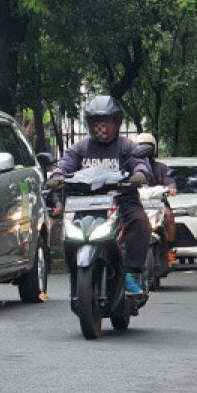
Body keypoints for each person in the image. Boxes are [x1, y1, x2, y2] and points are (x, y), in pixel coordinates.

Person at [45, 96, 153, 295]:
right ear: (89, 124)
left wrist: (139, 174)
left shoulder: (126, 146)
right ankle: (77, 275)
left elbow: (140, 163)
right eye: (95, 122)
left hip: (122, 202)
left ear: (117, 123)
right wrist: (56, 176)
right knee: (67, 232)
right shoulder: (81, 148)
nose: (100, 127)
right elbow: (65, 164)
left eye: (106, 121)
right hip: (84, 205)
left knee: (140, 222)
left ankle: (131, 273)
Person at [132, 132, 177, 243]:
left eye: (147, 148)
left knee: (168, 215)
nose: (144, 151)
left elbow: (170, 182)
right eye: (141, 147)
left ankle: (170, 248)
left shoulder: (162, 167)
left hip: (158, 203)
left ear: (153, 149)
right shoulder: (130, 167)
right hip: (137, 203)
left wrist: (171, 188)